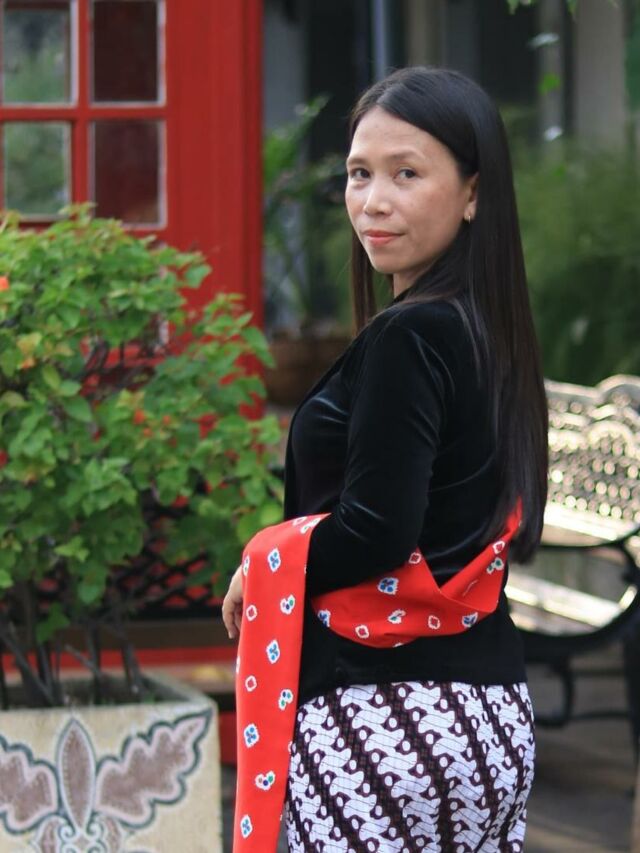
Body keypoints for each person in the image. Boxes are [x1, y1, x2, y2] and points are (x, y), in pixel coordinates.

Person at [223, 66, 548, 852]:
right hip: (491, 718)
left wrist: (266, 560)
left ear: (473, 193)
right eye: (359, 173)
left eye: (407, 174)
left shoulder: (409, 334)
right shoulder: (488, 325)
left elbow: (377, 528)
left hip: (382, 724)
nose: (373, 201)